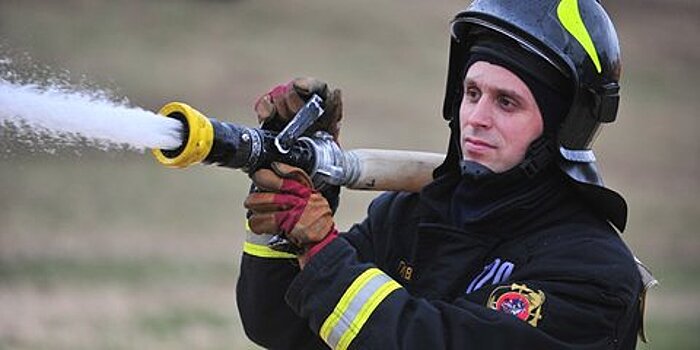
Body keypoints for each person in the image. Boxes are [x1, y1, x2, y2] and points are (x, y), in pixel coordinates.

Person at [237, 0, 655, 349]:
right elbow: (277, 326)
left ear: (564, 124)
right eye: (472, 93)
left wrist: (322, 255)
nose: (477, 118)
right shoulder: (411, 215)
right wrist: (287, 211)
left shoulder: (593, 273)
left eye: (506, 102)